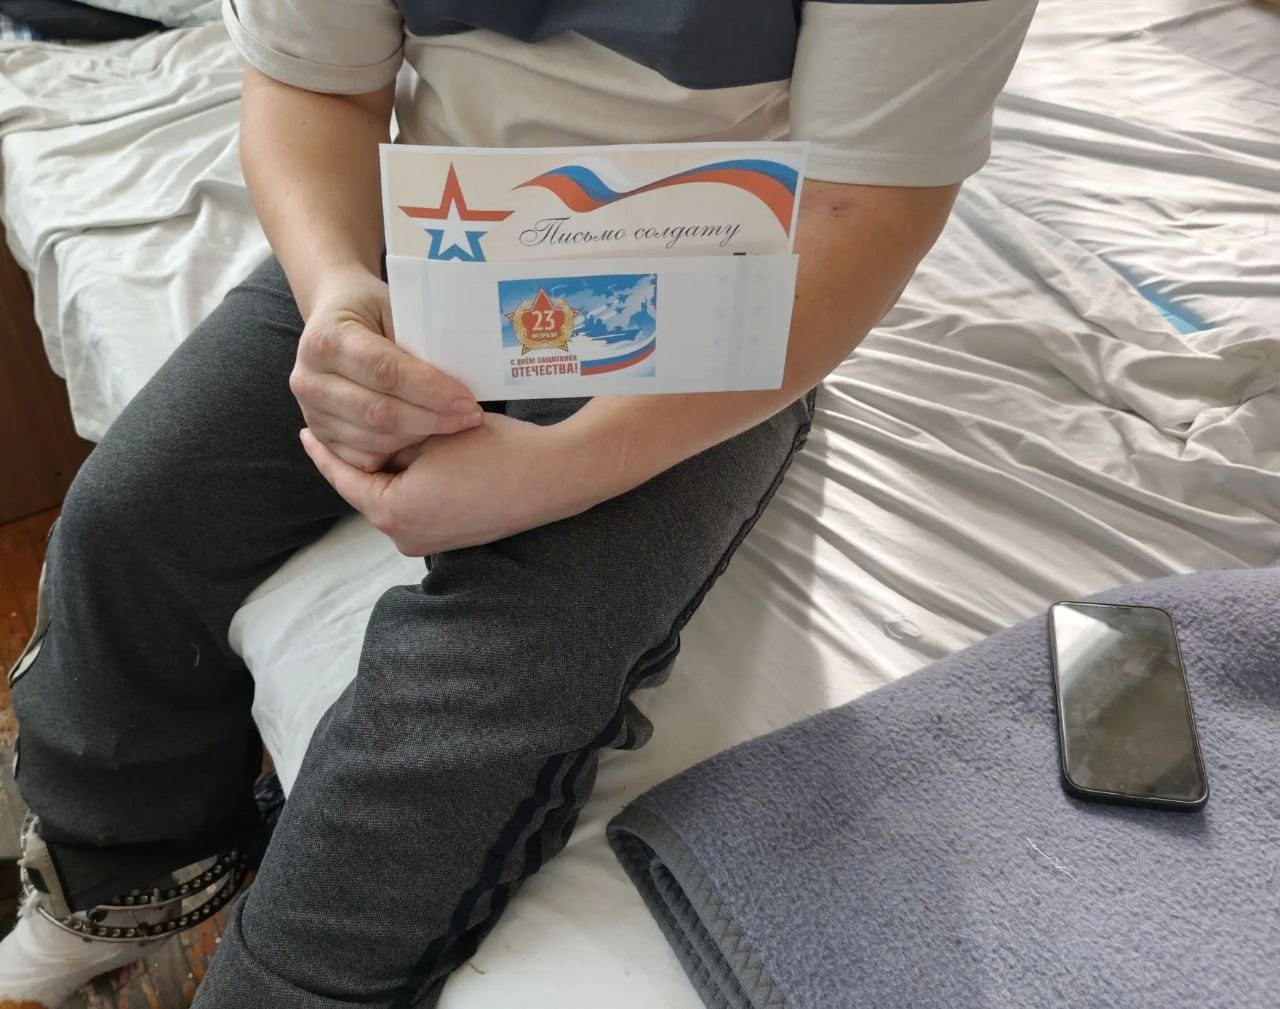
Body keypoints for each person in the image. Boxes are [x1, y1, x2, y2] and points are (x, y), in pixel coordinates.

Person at [0, 0, 1037, 1006]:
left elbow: (863, 208)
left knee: (478, 694)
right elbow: (314, 87)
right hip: (434, 234)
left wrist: (563, 468)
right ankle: (124, 875)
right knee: (126, 523)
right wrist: (337, 297)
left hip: (720, 280)